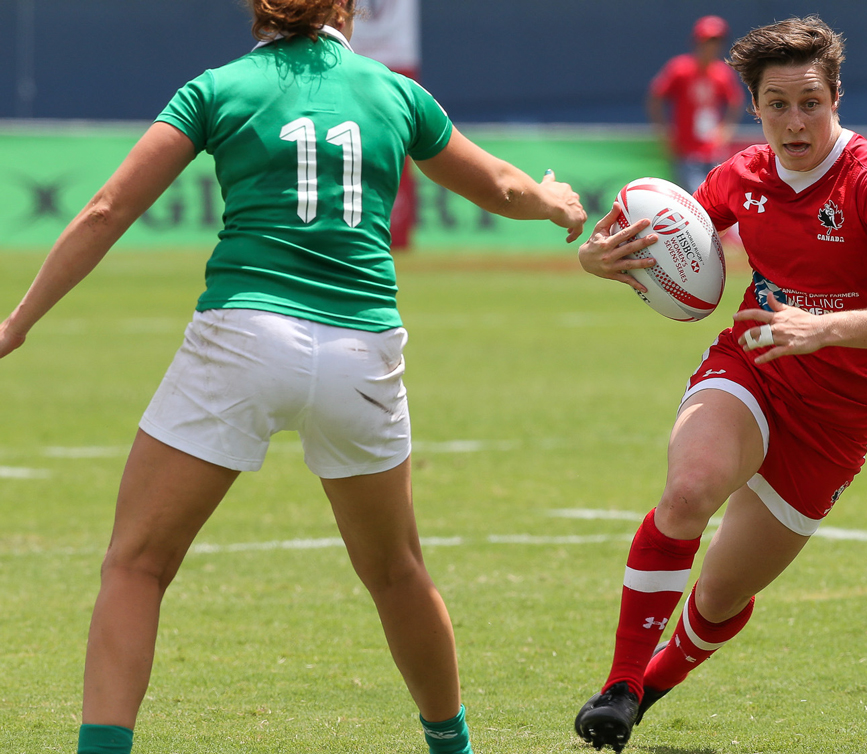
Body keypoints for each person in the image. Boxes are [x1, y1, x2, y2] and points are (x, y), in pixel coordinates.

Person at [0, 2, 585, 753]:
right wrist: (556, 201)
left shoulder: (220, 87)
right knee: (396, 572)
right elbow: (503, 188)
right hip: (362, 352)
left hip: (245, 338)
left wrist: (18, 322)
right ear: (346, 8)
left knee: (138, 565)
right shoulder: (393, 92)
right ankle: (453, 746)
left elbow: (109, 208)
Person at [573, 15, 867, 752]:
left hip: (839, 412)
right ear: (753, 107)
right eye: (777, 104)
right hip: (751, 365)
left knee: (721, 596)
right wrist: (601, 258)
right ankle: (618, 685)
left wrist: (824, 329)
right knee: (689, 490)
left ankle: (646, 691)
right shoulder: (741, 175)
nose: (794, 121)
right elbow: (664, 237)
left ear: (836, 95)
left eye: (809, 101)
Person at [646, 14, 745, 193]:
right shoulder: (680, 68)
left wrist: (726, 130)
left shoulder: (722, 72)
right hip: (686, 151)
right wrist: (664, 131)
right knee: (694, 198)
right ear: (697, 42)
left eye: (716, 41)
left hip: (713, 151)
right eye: (706, 41)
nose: (711, 47)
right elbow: (656, 97)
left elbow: (735, 102)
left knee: (717, 197)